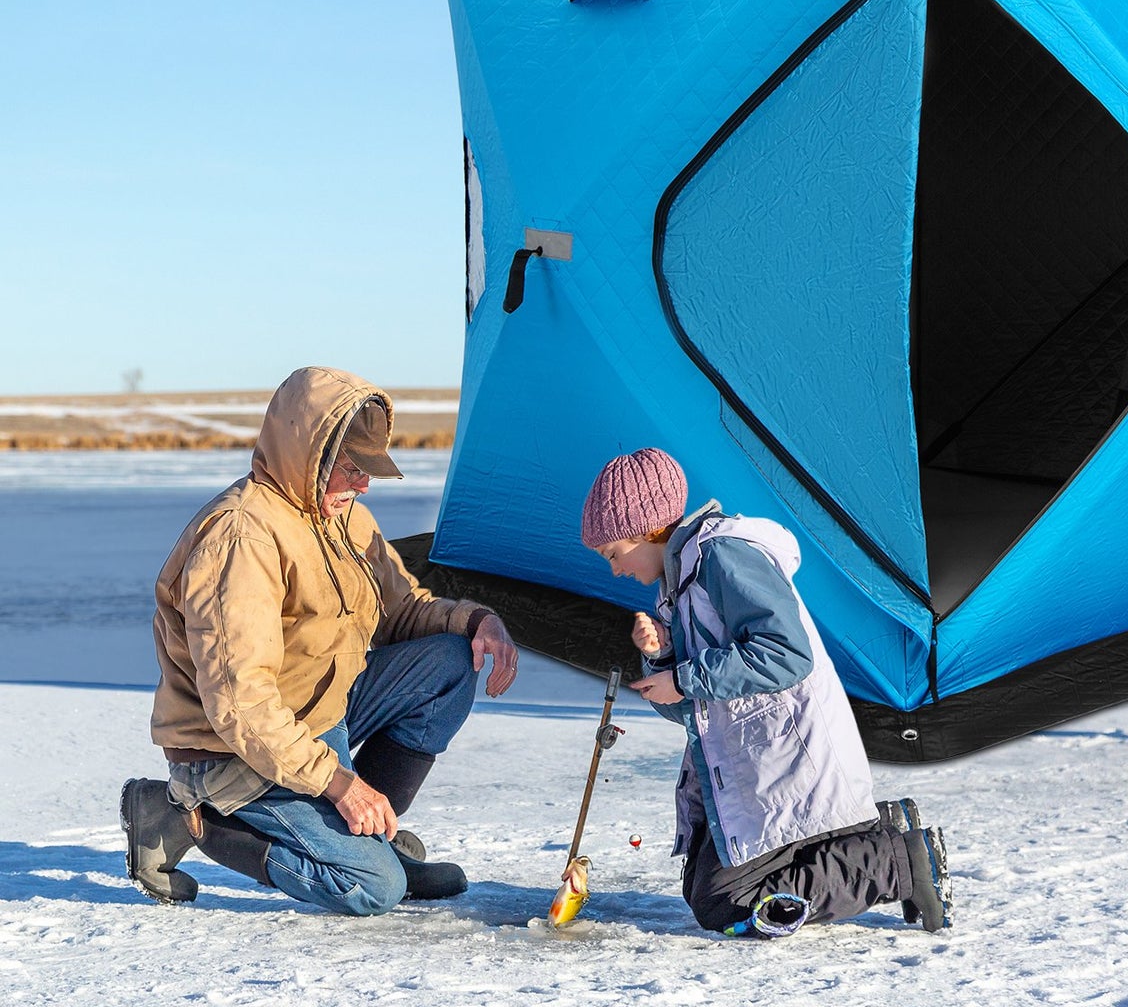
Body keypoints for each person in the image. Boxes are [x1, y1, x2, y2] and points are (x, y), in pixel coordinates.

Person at [122, 365, 518, 916]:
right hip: (231, 751)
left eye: (368, 471)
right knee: (372, 889)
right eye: (352, 469)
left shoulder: (340, 516)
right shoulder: (242, 537)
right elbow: (242, 705)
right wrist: (337, 785)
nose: (362, 485)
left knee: (448, 664)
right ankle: (191, 819)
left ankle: (367, 838)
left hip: (317, 711)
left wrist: (477, 622)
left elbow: (400, 611)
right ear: (307, 456)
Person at [577, 447, 952, 936]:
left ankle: (897, 861)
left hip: (788, 757)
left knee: (723, 902)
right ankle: (878, 830)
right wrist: (664, 660)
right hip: (752, 770)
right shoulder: (681, 587)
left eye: (614, 554)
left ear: (649, 529)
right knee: (705, 889)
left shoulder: (721, 556)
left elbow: (787, 654)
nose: (614, 569)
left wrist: (685, 677)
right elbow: (693, 708)